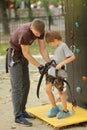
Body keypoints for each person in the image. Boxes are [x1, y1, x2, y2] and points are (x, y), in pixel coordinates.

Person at [7, 19, 50, 126]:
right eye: (36, 33)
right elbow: (26, 53)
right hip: (14, 57)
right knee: (17, 87)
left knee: (26, 85)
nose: (38, 35)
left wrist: (49, 63)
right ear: (31, 28)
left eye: (40, 33)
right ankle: (18, 116)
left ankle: (22, 111)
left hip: (23, 56)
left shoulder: (40, 30)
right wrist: (39, 66)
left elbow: (43, 48)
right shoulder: (25, 33)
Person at [45, 30, 75, 119]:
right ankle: (54, 108)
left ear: (55, 40)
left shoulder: (63, 46)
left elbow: (72, 57)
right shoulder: (58, 46)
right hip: (52, 71)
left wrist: (62, 63)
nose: (51, 45)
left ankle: (65, 111)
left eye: (51, 43)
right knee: (47, 90)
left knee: (60, 92)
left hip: (60, 72)